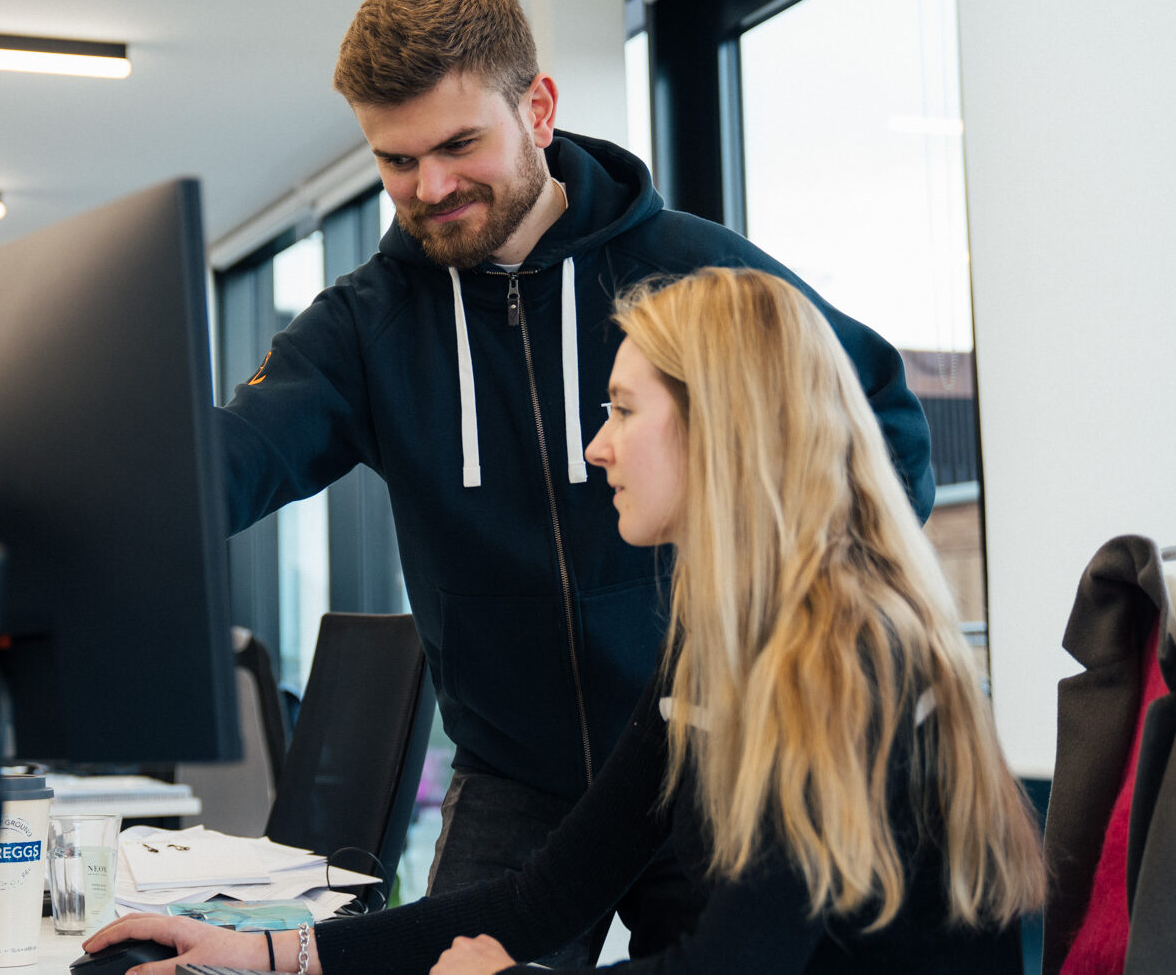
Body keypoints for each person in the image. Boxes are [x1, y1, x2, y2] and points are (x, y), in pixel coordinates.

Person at [214, 0, 935, 961]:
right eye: (397, 159)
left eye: (460, 144)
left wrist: (801, 629)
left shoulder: (694, 273)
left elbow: (878, 424)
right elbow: (234, 463)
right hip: (517, 774)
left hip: (702, 741)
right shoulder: (365, 325)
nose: (431, 187)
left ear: (538, 109)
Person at [86, 267, 1046, 974]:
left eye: (624, 409)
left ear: (718, 426)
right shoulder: (721, 645)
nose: (596, 446)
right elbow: (543, 893)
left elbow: (739, 967)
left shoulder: (843, 653)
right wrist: (265, 956)